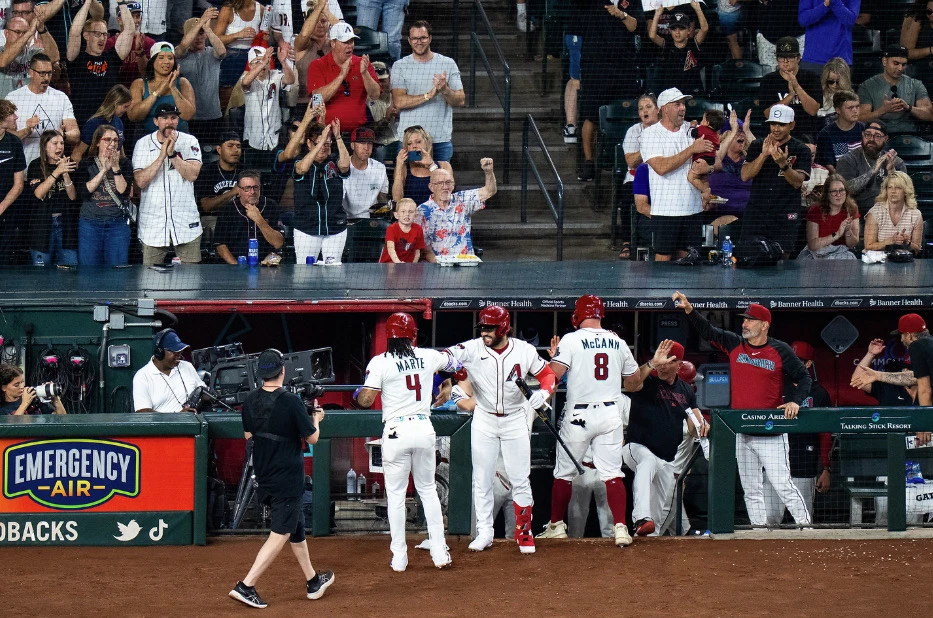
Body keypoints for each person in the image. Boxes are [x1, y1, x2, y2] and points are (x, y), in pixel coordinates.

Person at [670, 293, 813, 527]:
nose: (744, 323)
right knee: (751, 489)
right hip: (742, 432)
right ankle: (759, 530)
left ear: (765, 325)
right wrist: (689, 309)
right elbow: (708, 330)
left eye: (750, 320)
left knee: (782, 484)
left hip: (771, 432)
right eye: (744, 319)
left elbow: (803, 376)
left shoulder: (780, 350)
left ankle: (806, 526)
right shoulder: (735, 344)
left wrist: (795, 400)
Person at [443, 305, 556, 554]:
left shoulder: (524, 351)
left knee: (520, 477)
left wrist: (544, 392)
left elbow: (547, 374)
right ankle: (485, 532)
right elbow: (446, 357)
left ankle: (524, 532)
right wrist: (455, 374)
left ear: (503, 327)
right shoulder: (472, 348)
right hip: (484, 417)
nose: (484, 332)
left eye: (489, 328)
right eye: (482, 327)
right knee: (482, 478)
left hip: (514, 418)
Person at [355, 313, 463, 571]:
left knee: (396, 497)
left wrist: (357, 395)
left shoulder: (380, 361)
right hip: (424, 428)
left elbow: (367, 400)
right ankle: (440, 553)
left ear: (389, 337)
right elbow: (456, 363)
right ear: (413, 334)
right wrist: (446, 383)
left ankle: (400, 558)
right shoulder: (428, 356)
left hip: (396, 431)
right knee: (427, 491)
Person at [229, 348, 334, 609]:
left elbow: (248, 436)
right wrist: (317, 419)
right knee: (281, 531)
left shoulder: (250, 400)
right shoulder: (290, 401)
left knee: (295, 526)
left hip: (264, 473)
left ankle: (313, 581)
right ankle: (247, 585)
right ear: (282, 371)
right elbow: (312, 438)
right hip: (287, 475)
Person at [534, 295, 642, 547]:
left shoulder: (571, 340)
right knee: (613, 473)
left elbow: (554, 376)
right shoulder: (618, 341)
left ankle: (556, 526)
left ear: (577, 315)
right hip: (609, 412)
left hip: (579, 414)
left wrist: (553, 360)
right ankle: (621, 529)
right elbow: (635, 382)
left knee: (563, 473)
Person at [621, 340, 707, 536]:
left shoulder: (685, 390)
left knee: (657, 519)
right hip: (637, 447)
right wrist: (651, 363)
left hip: (667, 459)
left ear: (679, 364)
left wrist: (702, 426)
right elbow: (630, 384)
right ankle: (641, 517)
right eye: (660, 360)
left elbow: (694, 424)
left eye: (667, 361)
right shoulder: (648, 381)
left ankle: (646, 536)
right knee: (647, 462)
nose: (662, 365)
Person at [764, 341, 832, 525]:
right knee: (768, 521)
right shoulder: (774, 386)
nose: (791, 364)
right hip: (774, 465)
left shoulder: (818, 393)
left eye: (799, 360)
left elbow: (825, 433)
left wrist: (825, 469)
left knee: (803, 521)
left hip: (804, 465)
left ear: (808, 364)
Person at [640, 87, 710, 261]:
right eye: (677, 104)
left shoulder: (693, 130)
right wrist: (691, 149)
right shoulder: (650, 135)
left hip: (693, 209)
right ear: (664, 109)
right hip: (666, 211)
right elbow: (661, 167)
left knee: (690, 260)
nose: (683, 108)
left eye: (684, 104)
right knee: (663, 259)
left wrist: (708, 168)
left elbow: (714, 161)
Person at [132, 102, 204, 265]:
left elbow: (192, 175)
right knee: (151, 284)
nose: (169, 121)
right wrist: (161, 156)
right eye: (164, 118)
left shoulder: (189, 141)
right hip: (153, 225)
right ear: (156, 121)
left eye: (173, 117)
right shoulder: (143, 144)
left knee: (190, 283)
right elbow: (140, 181)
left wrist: (172, 156)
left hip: (186, 223)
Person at [575, 0, 638, 182]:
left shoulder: (630, 2)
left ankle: (627, 162)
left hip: (624, 66)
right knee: (591, 114)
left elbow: (635, 26)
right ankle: (588, 162)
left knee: (628, 115)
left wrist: (622, 14)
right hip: (596, 66)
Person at [740, 104, 812, 257]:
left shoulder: (801, 149)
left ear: (792, 125)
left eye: (782, 124)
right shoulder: (757, 145)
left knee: (781, 260)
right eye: (773, 123)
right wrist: (763, 155)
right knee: (751, 256)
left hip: (785, 212)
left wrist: (783, 164)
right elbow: (745, 175)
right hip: (757, 211)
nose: (776, 128)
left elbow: (797, 182)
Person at [390, 20, 464, 163]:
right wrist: (428, 96)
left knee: (443, 184)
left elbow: (460, 100)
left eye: (423, 37)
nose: (419, 42)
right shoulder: (399, 66)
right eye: (415, 38)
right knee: (410, 185)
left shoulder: (448, 64)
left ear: (430, 38)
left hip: (439, 140)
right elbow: (399, 101)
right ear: (409, 41)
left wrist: (445, 90)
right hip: (410, 142)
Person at [64, 0, 133, 125]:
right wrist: (87, 2)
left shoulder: (112, 57)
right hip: (83, 122)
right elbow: (74, 32)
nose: (102, 38)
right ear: (86, 35)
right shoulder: (76, 58)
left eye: (105, 34)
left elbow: (129, 31)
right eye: (97, 34)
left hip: (109, 124)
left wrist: (122, 3)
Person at [306, 22, 381, 135]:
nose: (349, 45)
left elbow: (375, 95)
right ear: (333, 43)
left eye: (351, 41)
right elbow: (317, 99)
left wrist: (365, 74)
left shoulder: (363, 63)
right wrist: (341, 75)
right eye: (345, 42)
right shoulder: (317, 65)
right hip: (327, 133)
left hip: (358, 135)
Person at [292, 119, 350, 265]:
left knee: (333, 274)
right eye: (318, 143)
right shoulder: (300, 161)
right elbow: (302, 170)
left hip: (335, 228)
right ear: (309, 143)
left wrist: (337, 137)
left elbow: (345, 166)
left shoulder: (333, 162)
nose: (323, 147)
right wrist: (321, 141)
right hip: (307, 228)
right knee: (304, 274)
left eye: (326, 143)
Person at [76, 123, 133, 266]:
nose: (112, 144)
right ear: (97, 143)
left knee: (117, 270)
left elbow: (124, 192)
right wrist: (103, 171)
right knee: (89, 270)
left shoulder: (125, 163)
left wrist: (115, 167)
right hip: (90, 223)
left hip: (117, 224)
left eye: (115, 140)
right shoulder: (86, 163)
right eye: (107, 140)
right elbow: (83, 192)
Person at [416, 159, 496, 259]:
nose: (445, 187)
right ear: (431, 187)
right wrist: (439, 266)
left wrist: (488, 172)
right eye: (440, 183)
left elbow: (489, 191)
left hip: (466, 263)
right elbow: (424, 248)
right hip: (438, 266)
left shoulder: (463, 199)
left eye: (448, 182)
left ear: (453, 185)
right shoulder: (422, 211)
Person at [7, 53, 78, 165]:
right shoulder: (13, 98)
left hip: (53, 169)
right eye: (42, 73)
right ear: (31, 72)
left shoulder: (61, 98)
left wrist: (62, 135)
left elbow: (75, 135)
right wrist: (27, 131)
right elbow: (6, 140)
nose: (46, 78)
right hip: (23, 168)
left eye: (49, 73)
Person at [176, 8, 227, 149]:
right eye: (195, 34)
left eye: (201, 34)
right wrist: (201, 22)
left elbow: (222, 51)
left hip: (213, 115)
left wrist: (207, 29)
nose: (198, 38)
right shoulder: (179, 55)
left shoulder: (213, 53)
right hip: (190, 117)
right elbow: (183, 46)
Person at [26, 129, 77, 266]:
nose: (59, 147)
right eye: (55, 143)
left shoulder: (69, 163)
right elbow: (38, 193)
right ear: (44, 145)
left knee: (69, 270)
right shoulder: (35, 165)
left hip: (65, 225)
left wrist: (65, 174)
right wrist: (57, 171)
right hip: (42, 225)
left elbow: (72, 197)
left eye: (61, 143)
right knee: (41, 275)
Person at [241, 45, 296, 172]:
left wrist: (283, 63)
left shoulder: (275, 75)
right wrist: (263, 62)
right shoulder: (246, 78)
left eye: (266, 61)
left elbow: (291, 80)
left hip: (274, 139)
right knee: (252, 177)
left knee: (274, 177)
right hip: (253, 141)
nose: (264, 65)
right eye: (257, 62)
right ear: (250, 65)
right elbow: (245, 83)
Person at [619, 94, 661, 258]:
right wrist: (648, 145)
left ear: (658, 110)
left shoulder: (667, 130)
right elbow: (631, 162)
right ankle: (627, 243)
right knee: (628, 194)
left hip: (661, 177)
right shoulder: (634, 132)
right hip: (636, 178)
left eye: (648, 107)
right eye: (641, 108)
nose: (644, 111)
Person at [858, 45, 933, 135]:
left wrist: (909, 108)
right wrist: (883, 110)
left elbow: (930, 114)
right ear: (884, 61)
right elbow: (860, 118)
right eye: (896, 63)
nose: (900, 69)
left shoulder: (916, 85)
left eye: (904, 65)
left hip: (910, 135)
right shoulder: (867, 86)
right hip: (879, 135)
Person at [759, 37, 822, 140]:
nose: (786, 61)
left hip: (806, 134)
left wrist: (797, 87)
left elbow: (813, 110)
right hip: (776, 136)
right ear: (776, 59)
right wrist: (790, 96)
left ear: (798, 58)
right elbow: (768, 114)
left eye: (790, 57)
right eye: (781, 57)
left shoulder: (812, 78)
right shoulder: (768, 80)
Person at [214, 170, 283, 264]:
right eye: (247, 188)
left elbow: (278, 243)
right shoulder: (228, 209)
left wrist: (259, 219)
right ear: (239, 190)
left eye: (256, 187)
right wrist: (236, 267)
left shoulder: (271, 206)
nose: (252, 192)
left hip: (266, 265)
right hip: (235, 266)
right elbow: (220, 245)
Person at [836, 120, 905, 214]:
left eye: (877, 136)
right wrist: (873, 170)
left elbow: (902, 194)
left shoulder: (896, 162)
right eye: (868, 134)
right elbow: (847, 189)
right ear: (862, 135)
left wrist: (891, 170)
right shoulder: (848, 160)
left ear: (886, 138)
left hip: (888, 213)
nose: (871, 139)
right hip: (857, 214)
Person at [128, 42, 196, 136]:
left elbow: (188, 115)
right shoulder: (139, 84)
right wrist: (158, 92)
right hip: (147, 139)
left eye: (170, 58)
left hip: (179, 137)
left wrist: (173, 88)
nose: (166, 61)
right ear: (152, 61)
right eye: (161, 57)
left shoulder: (183, 83)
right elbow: (134, 116)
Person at [132, 328, 206, 413]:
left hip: (193, 423)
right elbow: (143, 413)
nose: (179, 355)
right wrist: (177, 418)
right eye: (175, 352)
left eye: (180, 351)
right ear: (159, 352)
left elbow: (202, 391)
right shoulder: (142, 376)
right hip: (163, 426)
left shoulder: (187, 366)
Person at [647, 3, 708, 97]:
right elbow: (652, 36)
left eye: (682, 28)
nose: (677, 32)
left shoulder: (693, 43)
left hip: (692, 92)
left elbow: (704, 29)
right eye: (674, 28)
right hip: (671, 92)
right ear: (670, 30)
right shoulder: (667, 44)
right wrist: (657, 15)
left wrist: (698, 8)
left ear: (688, 30)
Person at [214, 0, 265, 111]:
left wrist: (265, 37)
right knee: (228, 100)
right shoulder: (228, 9)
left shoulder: (261, 9)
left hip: (252, 57)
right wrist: (237, 35)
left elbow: (265, 38)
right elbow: (215, 39)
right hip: (231, 57)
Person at [708, 108, 754, 222]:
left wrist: (747, 130)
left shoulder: (749, 160)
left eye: (742, 132)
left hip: (748, 213)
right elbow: (714, 161)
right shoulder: (717, 158)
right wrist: (733, 132)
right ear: (726, 136)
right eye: (737, 132)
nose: (741, 135)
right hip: (719, 212)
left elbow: (765, 156)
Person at [894, 314, 933, 444]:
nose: (901, 340)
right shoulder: (930, 344)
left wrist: (925, 424)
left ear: (910, 335)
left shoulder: (917, 346)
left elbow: (924, 389)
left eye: (902, 335)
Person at [391, 125, 452, 208]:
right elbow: (397, 199)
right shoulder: (403, 169)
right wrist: (398, 166)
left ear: (427, 143)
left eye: (418, 142)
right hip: (412, 216)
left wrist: (431, 165)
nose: (414, 146)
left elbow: (447, 192)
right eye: (409, 144)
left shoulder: (444, 165)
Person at [863, 171, 923, 254]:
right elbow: (868, 246)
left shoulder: (915, 214)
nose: (893, 191)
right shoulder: (875, 212)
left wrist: (907, 243)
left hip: (904, 261)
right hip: (879, 261)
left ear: (906, 191)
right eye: (890, 187)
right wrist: (890, 241)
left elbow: (917, 249)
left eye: (898, 187)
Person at [801, 173, 860, 258]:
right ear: (827, 194)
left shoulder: (852, 209)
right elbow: (813, 245)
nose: (838, 194)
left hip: (841, 254)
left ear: (846, 192)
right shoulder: (815, 210)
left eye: (841, 190)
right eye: (834, 191)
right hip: (817, 254)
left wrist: (847, 231)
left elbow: (852, 245)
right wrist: (836, 234)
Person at [0, 13, 58, 98]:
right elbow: (2, 62)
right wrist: (29, 32)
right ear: (6, 33)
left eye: (25, 33)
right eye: (18, 32)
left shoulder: (32, 53)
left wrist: (42, 30)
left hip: (28, 105)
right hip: (5, 107)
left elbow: (54, 57)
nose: (22, 36)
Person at [196, 131, 242, 236]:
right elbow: (206, 206)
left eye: (238, 146)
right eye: (230, 146)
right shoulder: (207, 172)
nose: (235, 150)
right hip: (213, 218)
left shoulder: (245, 172)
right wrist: (232, 192)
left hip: (240, 216)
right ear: (219, 149)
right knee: (221, 228)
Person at [72, 84, 131, 163]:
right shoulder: (93, 124)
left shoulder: (119, 122)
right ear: (115, 104)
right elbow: (77, 153)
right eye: (125, 107)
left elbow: (120, 152)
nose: (127, 110)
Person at [797, 0, 859, 72]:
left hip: (841, 59)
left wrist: (834, 2)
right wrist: (824, 6)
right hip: (813, 58)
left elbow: (850, 20)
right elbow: (803, 20)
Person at [0, 100, 26, 266]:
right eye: (11, 114)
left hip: (7, 211)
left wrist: (1, 207)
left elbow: (19, 184)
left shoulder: (14, 143)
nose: (16, 117)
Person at [343, 126, 388, 220]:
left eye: (370, 143)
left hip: (372, 219)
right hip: (348, 220)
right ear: (352, 145)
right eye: (362, 143)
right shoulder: (343, 168)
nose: (366, 147)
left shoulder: (380, 168)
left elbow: (382, 197)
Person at [105, 1, 153, 88]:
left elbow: (149, 75)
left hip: (142, 89)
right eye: (131, 17)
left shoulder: (149, 43)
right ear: (119, 20)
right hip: (117, 90)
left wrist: (140, 54)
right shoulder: (110, 43)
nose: (135, 21)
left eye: (138, 16)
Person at [814, 90, 863, 173]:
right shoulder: (826, 134)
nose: (855, 110)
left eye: (857, 106)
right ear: (838, 110)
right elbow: (829, 166)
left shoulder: (864, 129)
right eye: (850, 108)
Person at [379, 197, 432, 263]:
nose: (407, 214)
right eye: (403, 211)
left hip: (408, 266)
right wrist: (398, 263)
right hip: (389, 264)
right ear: (396, 215)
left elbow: (417, 252)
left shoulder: (418, 229)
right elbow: (391, 249)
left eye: (411, 212)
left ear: (415, 215)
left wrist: (413, 265)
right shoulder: (391, 229)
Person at [0, 363, 65, 415]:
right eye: (16, 385)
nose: (22, 386)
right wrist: (25, 403)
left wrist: (56, 400)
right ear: (4, 387)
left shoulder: (34, 398)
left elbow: (62, 420)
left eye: (22, 382)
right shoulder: (3, 410)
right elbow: (11, 429)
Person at [687, 109, 724, 200]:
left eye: (702, 120)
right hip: (711, 161)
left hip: (702, 159)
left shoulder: (702, 129)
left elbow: (690, 134)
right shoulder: (716, 135)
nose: (701, 122)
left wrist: (692, 126)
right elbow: (718, 147)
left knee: (692, 178)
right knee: (703, 178)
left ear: (707, 122)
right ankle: (705, 197)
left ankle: (705, 190)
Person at [817, 58, 853, 122]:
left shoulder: (852, 98)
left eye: (838, 82)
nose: (834, 85)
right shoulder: (818, 95)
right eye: (831, 81)